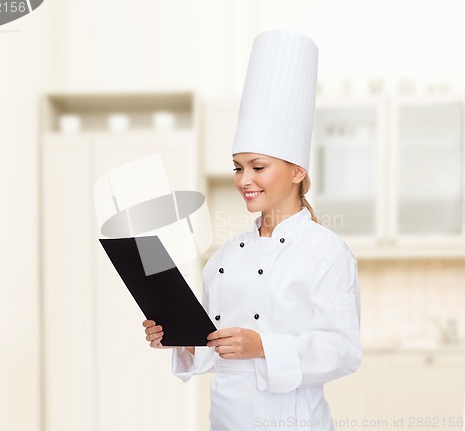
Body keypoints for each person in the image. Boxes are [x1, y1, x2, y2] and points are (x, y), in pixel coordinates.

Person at [143, 29, 362, 431]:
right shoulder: (227, 256)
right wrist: (181, 338)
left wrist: (263, 346)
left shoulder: (326, 252)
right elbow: (216, 349)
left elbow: (343, 351)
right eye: (238, 167)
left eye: (258, 167)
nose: (244, 179)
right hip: (226, 420)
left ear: (297, 171)